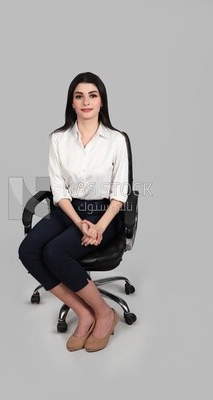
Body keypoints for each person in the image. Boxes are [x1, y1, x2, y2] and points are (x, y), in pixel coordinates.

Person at [18, 72, 129, 352]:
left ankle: (105, 313)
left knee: (55, 252)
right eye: (79, 96)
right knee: (29, 250)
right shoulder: (59, 139)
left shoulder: (116, 140)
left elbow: (120, 194)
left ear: (102, 101)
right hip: (69, 210)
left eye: (92, 95)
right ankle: (84, 311)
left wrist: (99, 226)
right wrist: (79, 222)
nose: (86, 101)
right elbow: (58, 189)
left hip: (104, 214)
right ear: (72, 103)